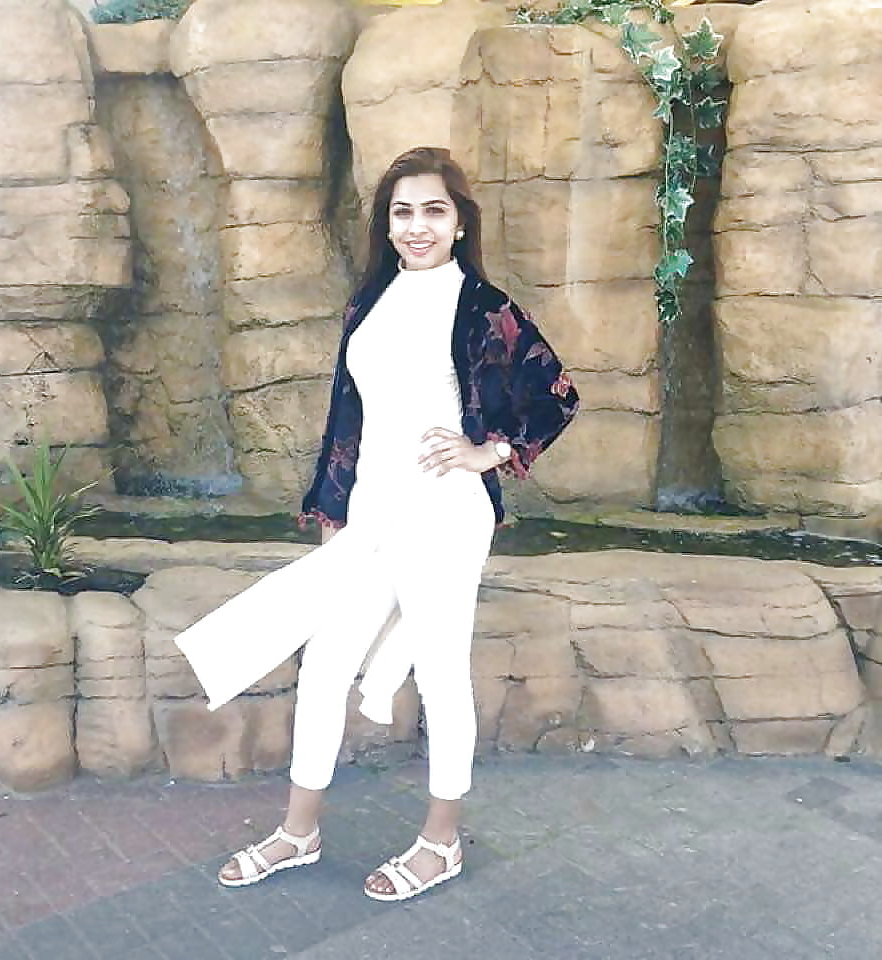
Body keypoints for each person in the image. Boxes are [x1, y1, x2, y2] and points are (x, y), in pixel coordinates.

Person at [174, 146, 580, 902]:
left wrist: (487, 452)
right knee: (325, 666)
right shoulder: (371, 300)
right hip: (370, 513)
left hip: (443, 514)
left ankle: (441, 842)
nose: (417, 226)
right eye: (403, 212)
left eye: (434, 211)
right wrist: (333, 508)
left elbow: (556, 394)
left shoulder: (483, 307)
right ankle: (298, 832)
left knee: (441, 672)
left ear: (460, 223)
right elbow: (347, 417)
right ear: (387, 224)